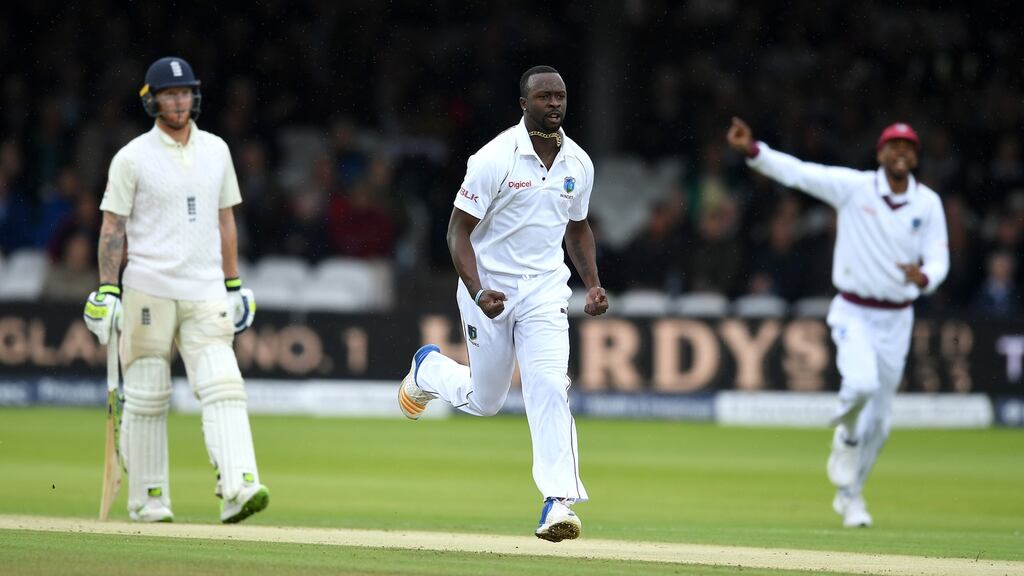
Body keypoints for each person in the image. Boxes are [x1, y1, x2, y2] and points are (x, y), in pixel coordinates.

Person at [398, 66, 609, 542]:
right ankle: (429, 369)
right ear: (524, 104)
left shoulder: (578, 163)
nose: (554, 104)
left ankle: (558, 501)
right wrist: (476, 290)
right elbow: (457, 231)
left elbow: (577, 229)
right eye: (544, 97)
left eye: (560, 96)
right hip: (488, 288)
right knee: (486, 400)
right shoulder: (494, 158)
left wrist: (593, 283)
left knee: (550, 386)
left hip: (545, 291)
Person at [726, 117, 949, 527]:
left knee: (880, 423)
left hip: (897, 317)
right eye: (893, 146)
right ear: (880, 154)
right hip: (853, 310)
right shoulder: (855, 188)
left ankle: (852, 495)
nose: (900, 153)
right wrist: (754, 151)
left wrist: (926, 277)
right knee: (861, 384)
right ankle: (846, 433)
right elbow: (801, 174)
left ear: (915, 156)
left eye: (908, 147)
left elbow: (939, 259)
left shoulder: (928, 203)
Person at [82, 56, 266, 523]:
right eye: (170, 94)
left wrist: (233, 283)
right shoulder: (132, 157)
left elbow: (225, 220)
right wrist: (108, 290)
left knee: (224, 384)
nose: (179, 101)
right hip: (148, 287)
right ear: (153, 100)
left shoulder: (218, 150)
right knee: (146, 394)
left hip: (206, 289)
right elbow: (112, 227)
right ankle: (148, 499)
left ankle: (239, 487)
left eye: (185, 92)